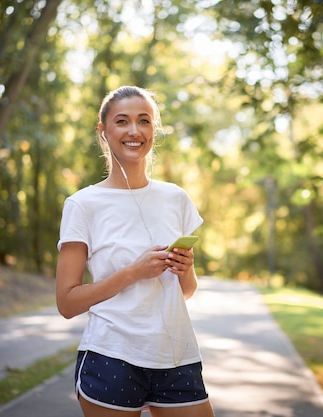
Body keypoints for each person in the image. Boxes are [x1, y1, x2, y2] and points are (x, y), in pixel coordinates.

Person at [55, 85, 215, 417]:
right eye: (122, 121)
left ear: (153, 129)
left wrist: (184, 270)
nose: (134, 131)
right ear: (103, 131)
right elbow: (67, 303)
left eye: (144, 121)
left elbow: (186, 291)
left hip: (176, 356)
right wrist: (133, 273)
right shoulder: (83, 205)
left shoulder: (176, 198)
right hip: (111, 356)